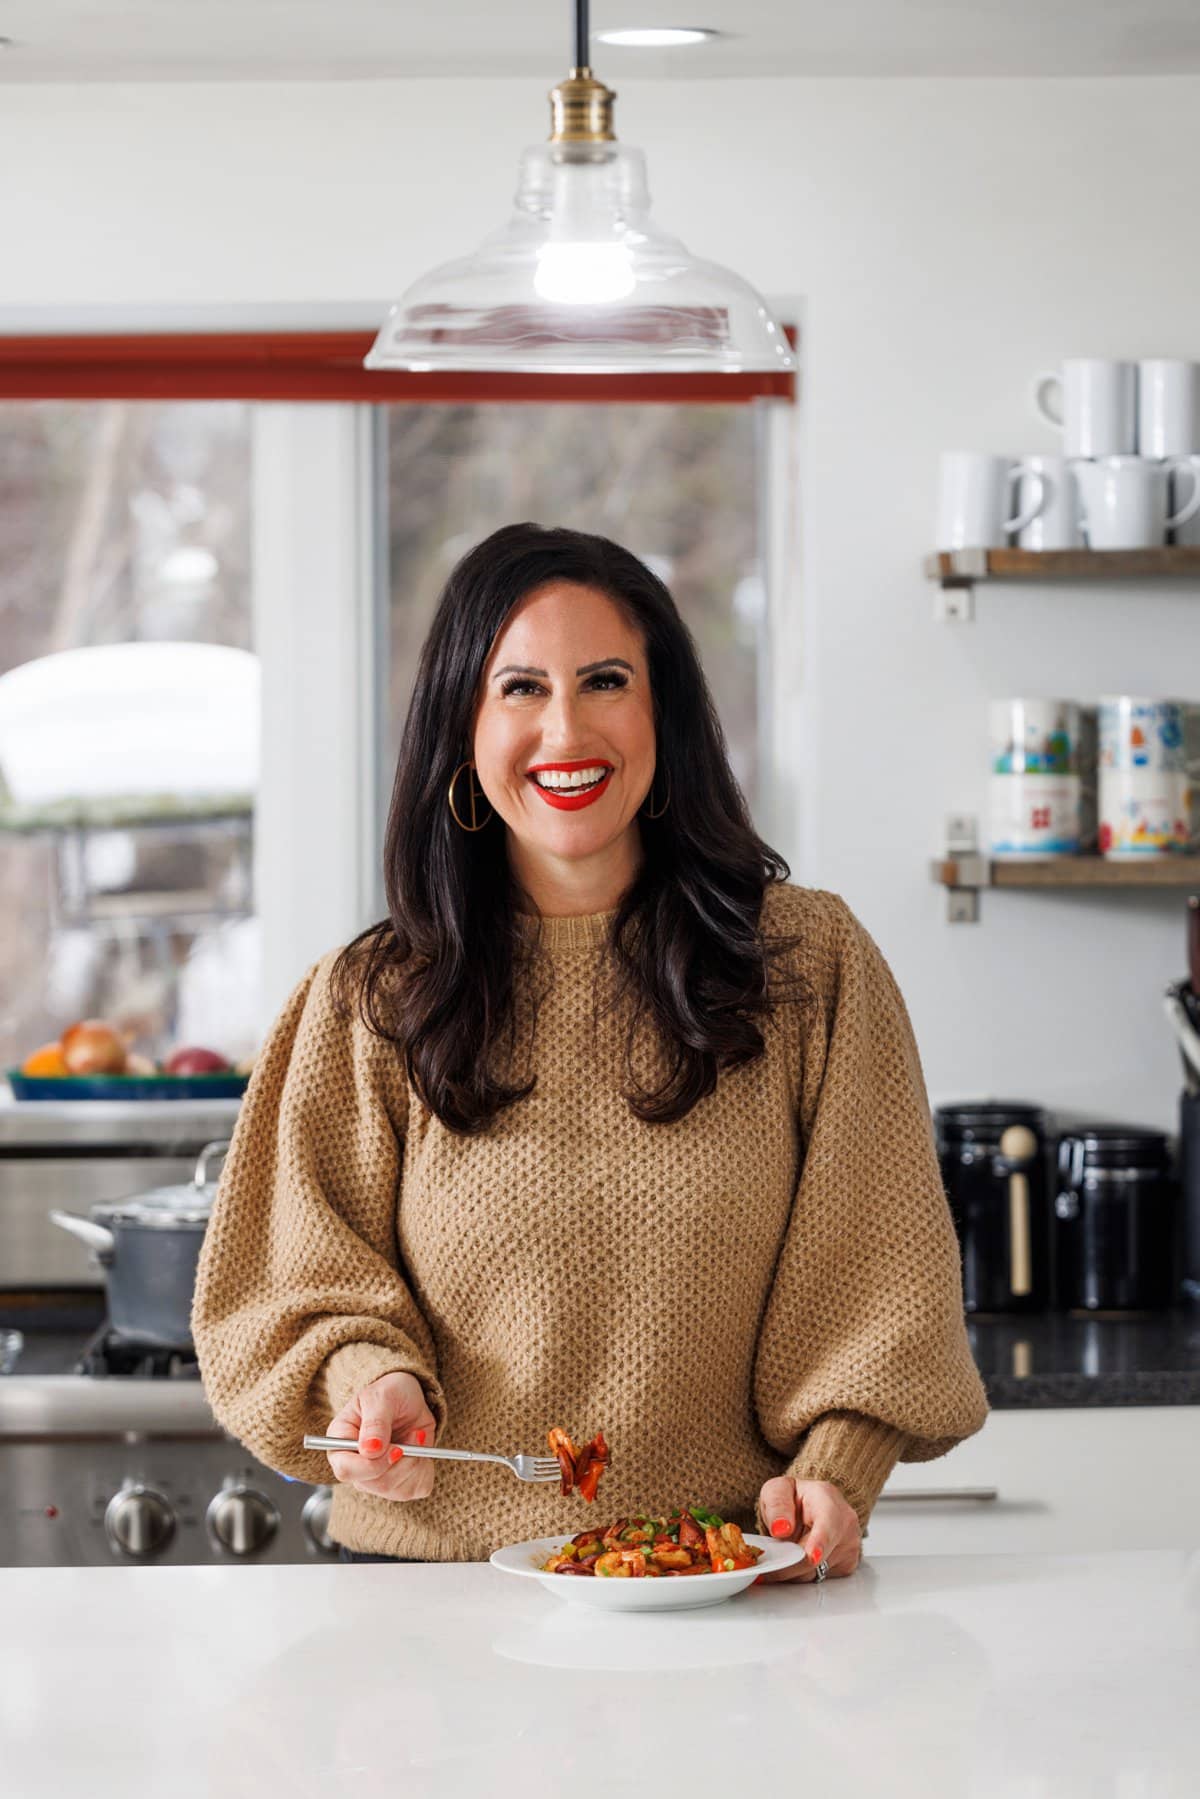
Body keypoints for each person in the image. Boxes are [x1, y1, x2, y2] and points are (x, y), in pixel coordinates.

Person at [192, 522, 988, 1581]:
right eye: (519, 687)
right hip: (431, 1604)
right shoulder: (369, 1001)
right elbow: (286, 1280)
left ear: (664, 715)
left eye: (604, 680)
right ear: (461, 729)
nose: (565, 729)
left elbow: (876, 1274)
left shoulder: (807, 964)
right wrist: (363, 1376)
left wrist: (837, 1470)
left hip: (716, 1583)